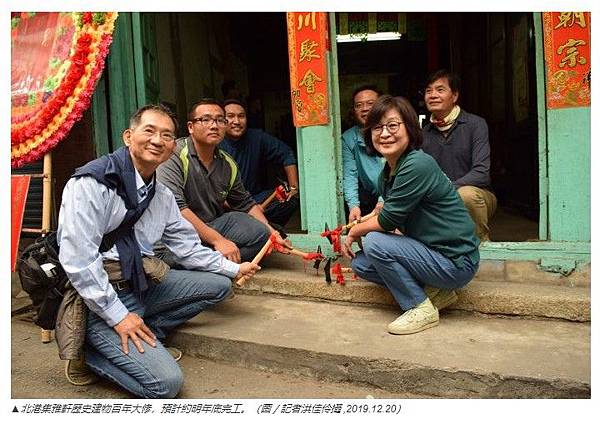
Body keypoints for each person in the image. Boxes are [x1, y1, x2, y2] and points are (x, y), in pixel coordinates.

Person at [57, 104, 259, 398]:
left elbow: (187, 248)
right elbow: (78, 261)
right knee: (166, 385)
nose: (157, 140)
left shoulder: (160, 194)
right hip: (101, 297)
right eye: (149, 131)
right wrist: (119, 316)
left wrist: (234, 269)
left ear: (172, 147)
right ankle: (89, 353)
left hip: (141, 283)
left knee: (220, 286)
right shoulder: (91, 183)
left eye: (167, 135)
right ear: (128, 136)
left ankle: (149, 333)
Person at [341, 95, 480, 335]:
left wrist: (355, 231)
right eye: (377, 127)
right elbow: (395, 220)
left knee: (374, 241)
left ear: (410, 128)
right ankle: (438, 291)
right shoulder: (386, 173)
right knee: (362, 264)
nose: (385, 133)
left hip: (456, 261)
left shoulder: (417, 164)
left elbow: (388, 221)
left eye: (393, 125)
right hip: (432, 253)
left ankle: (420, 307)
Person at [157, 98, 291, 264]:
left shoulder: (227, 163)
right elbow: (176, 208)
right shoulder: (174, 155)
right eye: (205, 120)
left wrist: (273, 234)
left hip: (210, 226)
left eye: (220, 120)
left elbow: (245, 203)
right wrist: (217, 240)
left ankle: (205, 262)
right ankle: (207, 263)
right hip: (175, 232)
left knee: (261, 234)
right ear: (191, 127)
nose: (214, 126)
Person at [422, 69, 497, 241]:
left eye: (440, 90)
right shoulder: (422, 134)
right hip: (439, 200)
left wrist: (447, 190)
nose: (432, 95)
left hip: (478, 196)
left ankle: (480, 246)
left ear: (454, 96)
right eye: (428, 91)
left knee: (466, 195)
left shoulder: (475, 124)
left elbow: (481, 173)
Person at [219, 98, 299, 227]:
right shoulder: (214, 143)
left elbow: (286, 154)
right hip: (227, 204)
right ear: (221, 120)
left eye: (241, 116)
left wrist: (294, 188)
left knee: (290, 200)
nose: (237, 121)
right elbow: (210, 193)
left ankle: (265, 228)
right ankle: (259, 225)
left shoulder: (256, 137)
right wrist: (244, 208)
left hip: (255, 197)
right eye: (230, 116)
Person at [341, 85, 385, 223]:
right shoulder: (349, 138)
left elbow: (398, 171)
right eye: (359, 105)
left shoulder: (392, 131)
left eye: (370, 103)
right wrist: (353, 206)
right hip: (371, 194)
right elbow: (349, 175)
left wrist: (384, 200)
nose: (365, 108)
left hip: (397, 191)